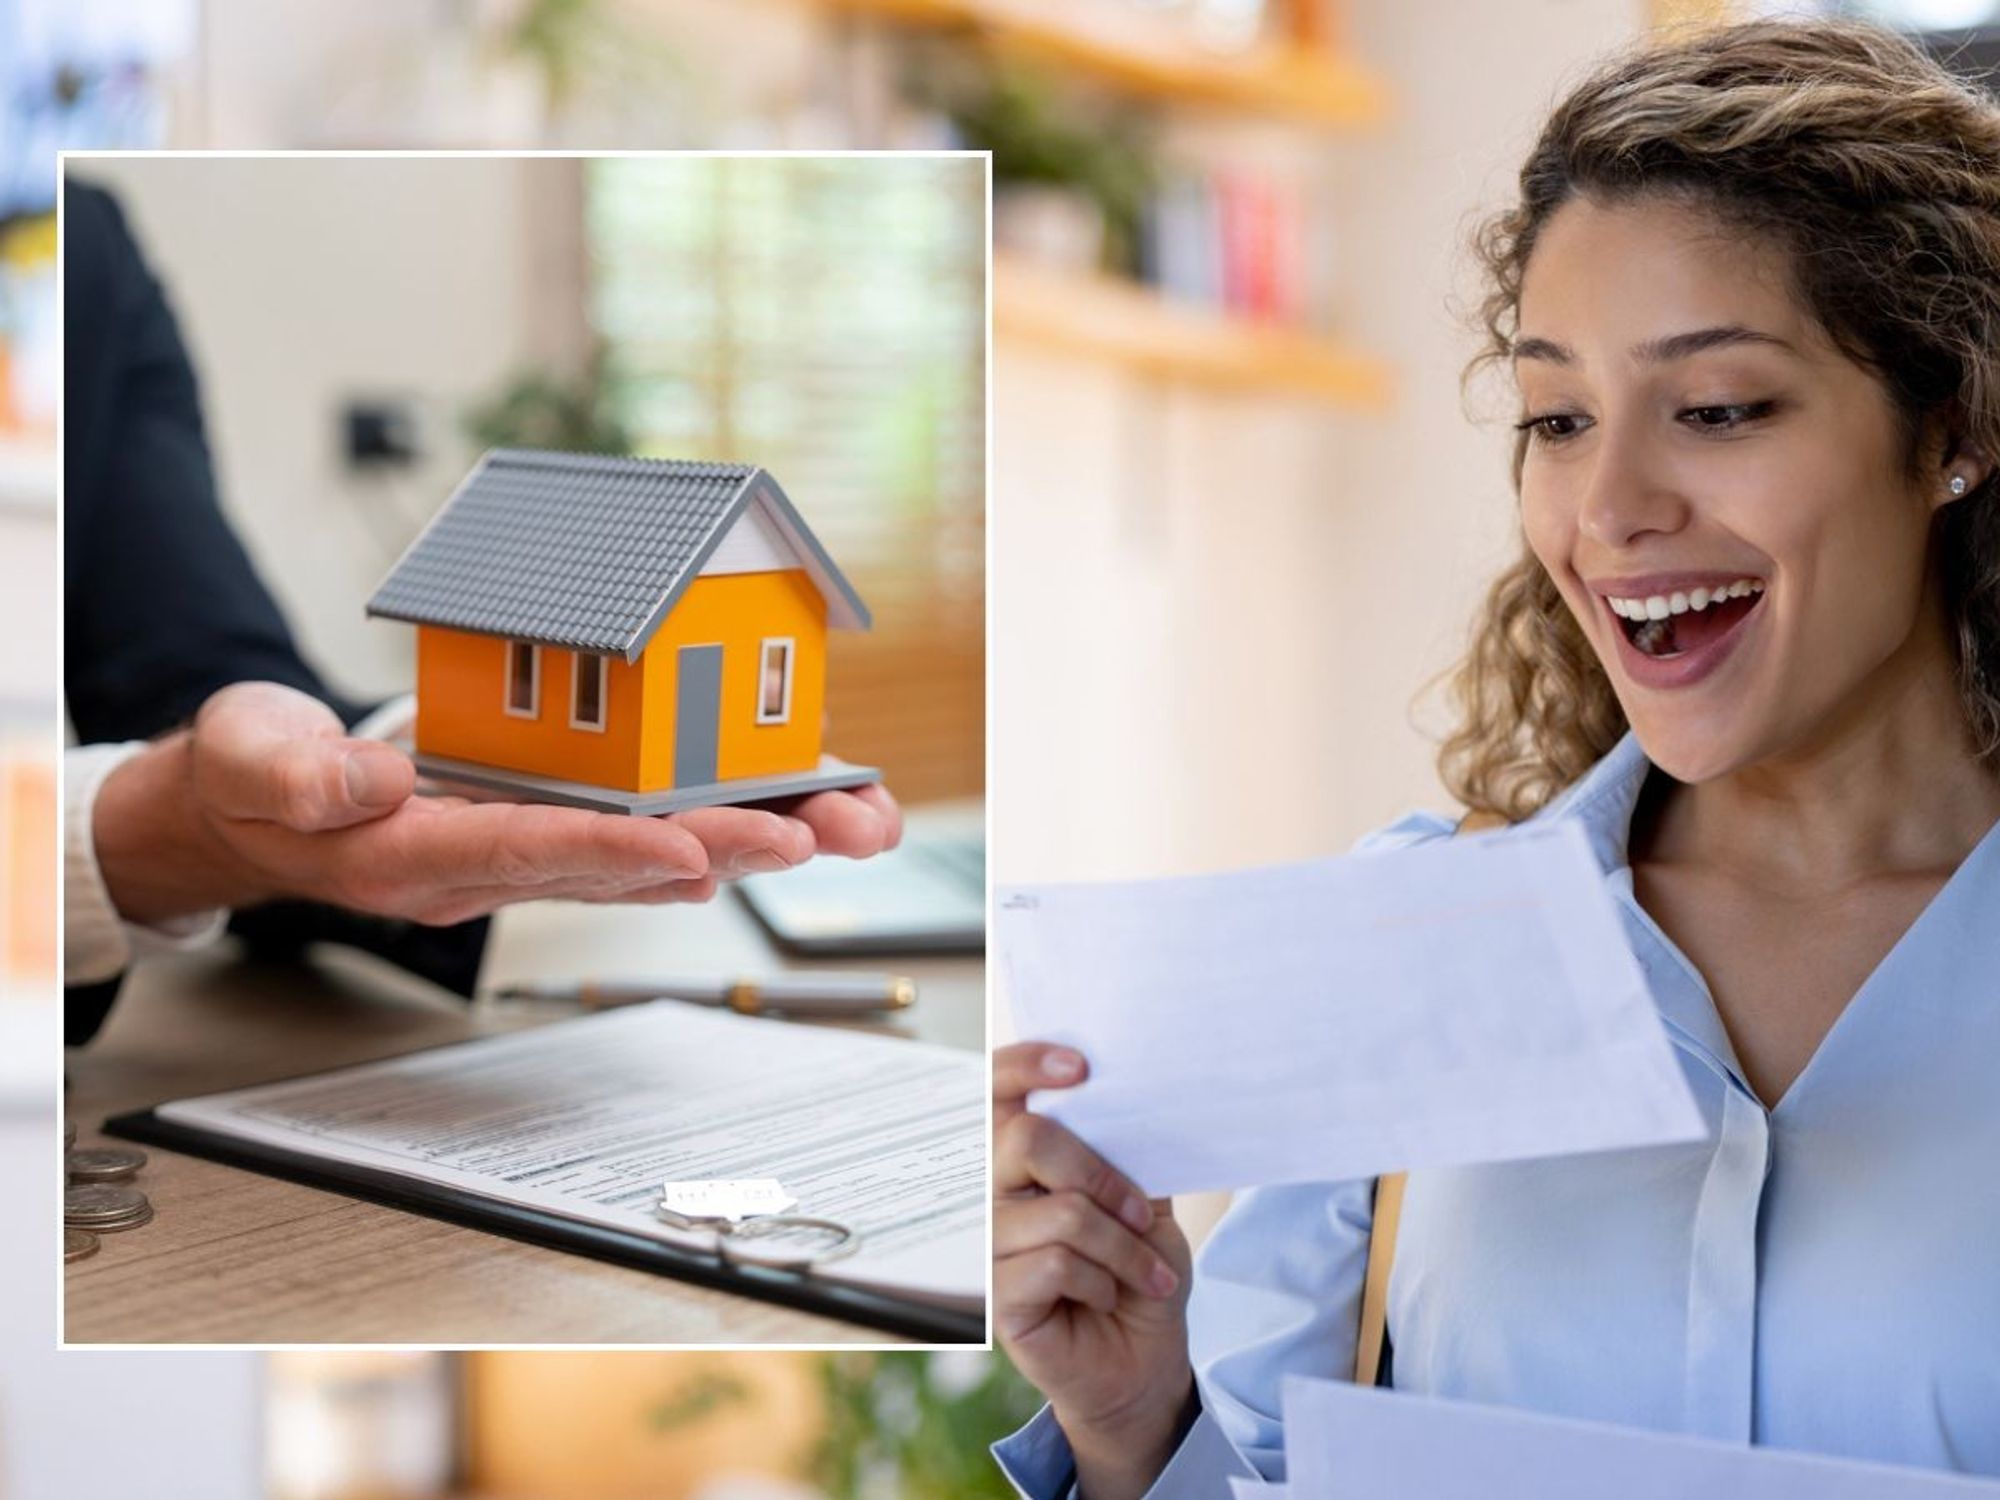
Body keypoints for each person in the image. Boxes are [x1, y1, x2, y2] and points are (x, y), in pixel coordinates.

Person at [992, 18, 2000, 1494]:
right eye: (1557, 419)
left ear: (1953, 427)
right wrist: (1139, 1420)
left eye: (1718, 409)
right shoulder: (1410, 940)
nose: (1610, 508)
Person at [63, 180, 901, 1045]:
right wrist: (137, 833)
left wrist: (399, 762)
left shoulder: (82, 240)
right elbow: (192, 780)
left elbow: (192, 678)